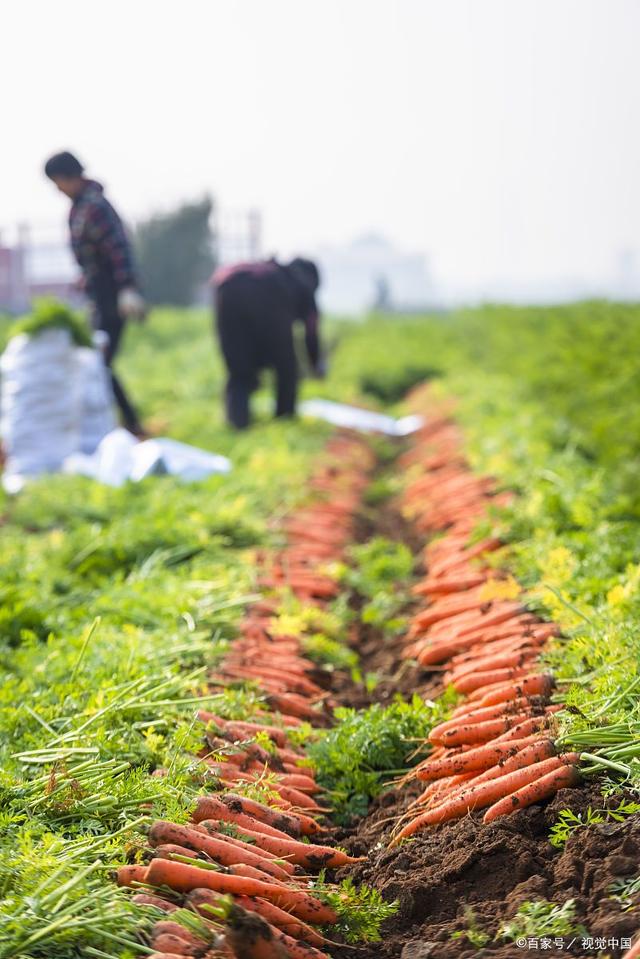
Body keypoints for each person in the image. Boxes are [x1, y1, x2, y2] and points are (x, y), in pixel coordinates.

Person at [44, 151, 146, 435]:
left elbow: (118, 249)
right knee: (96, 362)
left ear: (69, 177)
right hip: (97, 295)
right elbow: (92, 257)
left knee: (99, 362)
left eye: (58, 182)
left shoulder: (95, 207)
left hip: (112, 296)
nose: (58, 189)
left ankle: (129, 424)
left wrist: (127, 289)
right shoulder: (79, 207)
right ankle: (120, 423)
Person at [212, 257, 324, 429]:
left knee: (239, 372)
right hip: (267, 301)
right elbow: (311, 328)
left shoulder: (267, 272)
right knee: (287, 369)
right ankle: (284, 422)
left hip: (227, 291)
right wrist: (315, 363)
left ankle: (237, 425)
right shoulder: (299, 283)